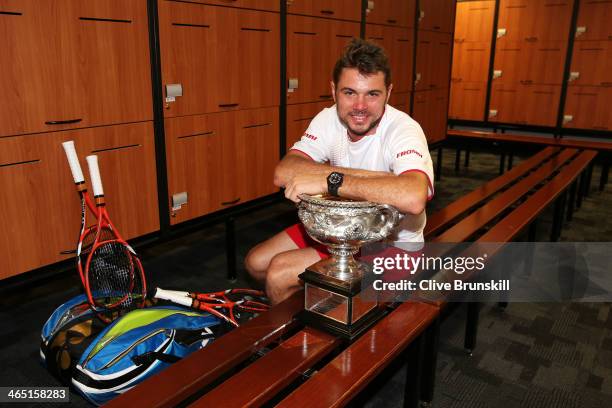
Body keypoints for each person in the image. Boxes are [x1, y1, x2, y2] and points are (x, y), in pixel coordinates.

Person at [245, 38, 434, 304]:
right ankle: (317, 306)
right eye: (349, 92)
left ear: (388, 93)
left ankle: (297, 341)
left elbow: (414, 198)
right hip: (339, 228)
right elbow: (284, 172)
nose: (359, 106)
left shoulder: (403, 129)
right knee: (256, 262)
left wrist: (330, 179)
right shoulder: (328, 118)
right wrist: (378, 182)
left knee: (279, 272)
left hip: (389, 245)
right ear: (333, 91)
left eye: (372, 94)